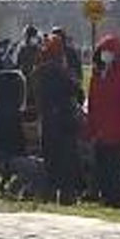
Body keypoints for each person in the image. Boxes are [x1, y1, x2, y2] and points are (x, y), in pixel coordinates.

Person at [87, 34, 120, 209]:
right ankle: (104, 197)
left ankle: (115, 200)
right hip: (100, 132)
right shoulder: (96, 77)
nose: (106, 55)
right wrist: (91, 129)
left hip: (116, 133)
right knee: (101, 168)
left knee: (113, 169)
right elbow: (92, 105)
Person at [32, 35, 81, 205]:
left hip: (47, 122)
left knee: (50, 160)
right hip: (64, 122)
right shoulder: (61, 71)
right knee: (66, 161)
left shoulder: (38, 72)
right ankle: (67, 195)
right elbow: (77, 91)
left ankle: (50, 194)